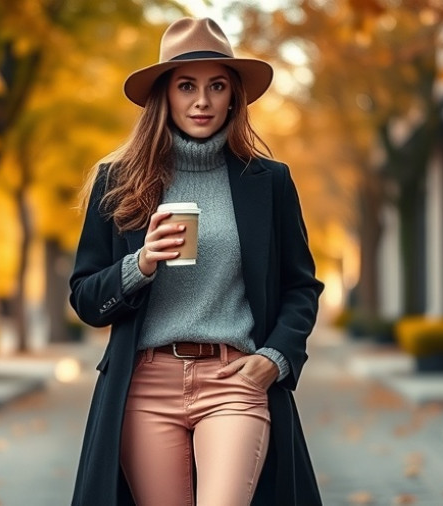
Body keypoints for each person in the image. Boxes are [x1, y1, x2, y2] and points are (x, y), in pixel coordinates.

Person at [69, 17, 324, 506]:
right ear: (164, 95)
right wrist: (140, 263)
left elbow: (301, 287)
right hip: (145, 386)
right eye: (187, 86)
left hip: (234, 381)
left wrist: (274, 360)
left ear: (234, 97)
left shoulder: (268, 181)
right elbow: (84, 297)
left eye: (217, 86)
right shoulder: (118, 182)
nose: (202, 101)